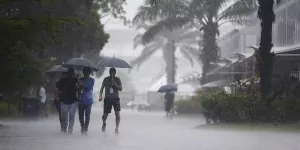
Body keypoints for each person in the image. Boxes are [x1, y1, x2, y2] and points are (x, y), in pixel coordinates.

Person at [99, 67, 122, 134]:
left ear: (115, 73)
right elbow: (102, 88)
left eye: (113, 72)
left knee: (117, 113)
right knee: (105, 115)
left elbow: (120, 88)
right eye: (110, 72)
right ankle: (104, 122)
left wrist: (114, 84)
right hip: (107, 99)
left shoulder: (118, 79)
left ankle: (117, 128)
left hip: (116, 99)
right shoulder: (106, 79)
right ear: (109, 72)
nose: (112, 73)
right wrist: (100, 96)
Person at [58, 68, 79, 134]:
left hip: (73, 101)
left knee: (72, 115)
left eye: (71, 74)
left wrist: (78, 81)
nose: (70, 75)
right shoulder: (63, 80)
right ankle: (64, 128)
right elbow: (59, 88)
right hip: (64, 101)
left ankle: (70, 129)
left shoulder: (75, 80)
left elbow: (79, 87)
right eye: (69, 73)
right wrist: (58, 96)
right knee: (64, 116)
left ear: (73, 74)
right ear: (67, 74)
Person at [78, 67, 95, 134]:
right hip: (81, 100)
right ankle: (82, 127)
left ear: (89, 73)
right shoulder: (80, 79)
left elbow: (88, 88)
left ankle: (86, 128)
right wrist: (78, 83)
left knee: (87, 116)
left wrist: (81, 84)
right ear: (83, 72)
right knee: (80, 116)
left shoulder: (92, 80)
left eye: (87, 72)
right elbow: (78, 89)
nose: (86, 73)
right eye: (84, 72)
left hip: (89, 101)